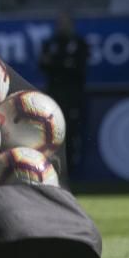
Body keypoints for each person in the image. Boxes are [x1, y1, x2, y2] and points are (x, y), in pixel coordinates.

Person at [39, 11, 89, 177]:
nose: (61, 26)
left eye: (65, 22)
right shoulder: (50, 43)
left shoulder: (79, 43)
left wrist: (56, 63)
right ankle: (55, 170)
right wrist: (64, 63)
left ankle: (74, 171)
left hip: (73, 96)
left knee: (73, 132)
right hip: (54, 97)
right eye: (59, 22)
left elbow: (78, 67)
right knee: (53, 133)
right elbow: (43, 64)